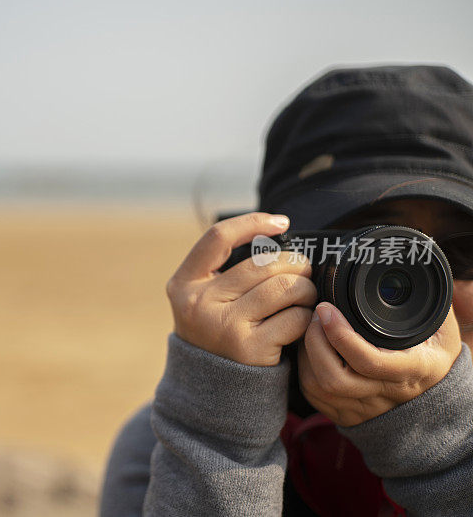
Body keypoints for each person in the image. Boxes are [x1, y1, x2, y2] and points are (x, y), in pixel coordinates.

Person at [99, 65, 473, 516]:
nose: (421, 284)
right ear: (269, 256)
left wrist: (445, 445)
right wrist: (220, 438)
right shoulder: (175, 442)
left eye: (463, 249)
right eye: (370, 249)